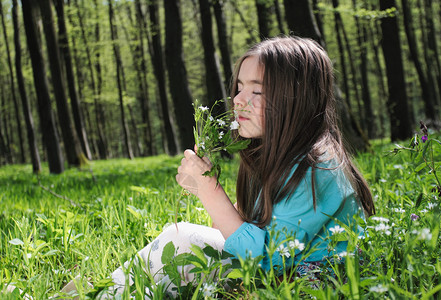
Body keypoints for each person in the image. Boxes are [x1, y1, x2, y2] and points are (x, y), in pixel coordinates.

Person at [7, 36, 375, 298]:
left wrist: (209, 191)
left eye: (258, 91)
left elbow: (262, 261)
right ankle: (108, 290)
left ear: (297, 98)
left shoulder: (317, 168)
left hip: (312, 286)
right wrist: (208, 186)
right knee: (184, 241)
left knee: (184, 238)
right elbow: (237, 238)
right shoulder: (275, 157)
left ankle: (103, 293)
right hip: (282, 274)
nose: (240, 101)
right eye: (239, 87)